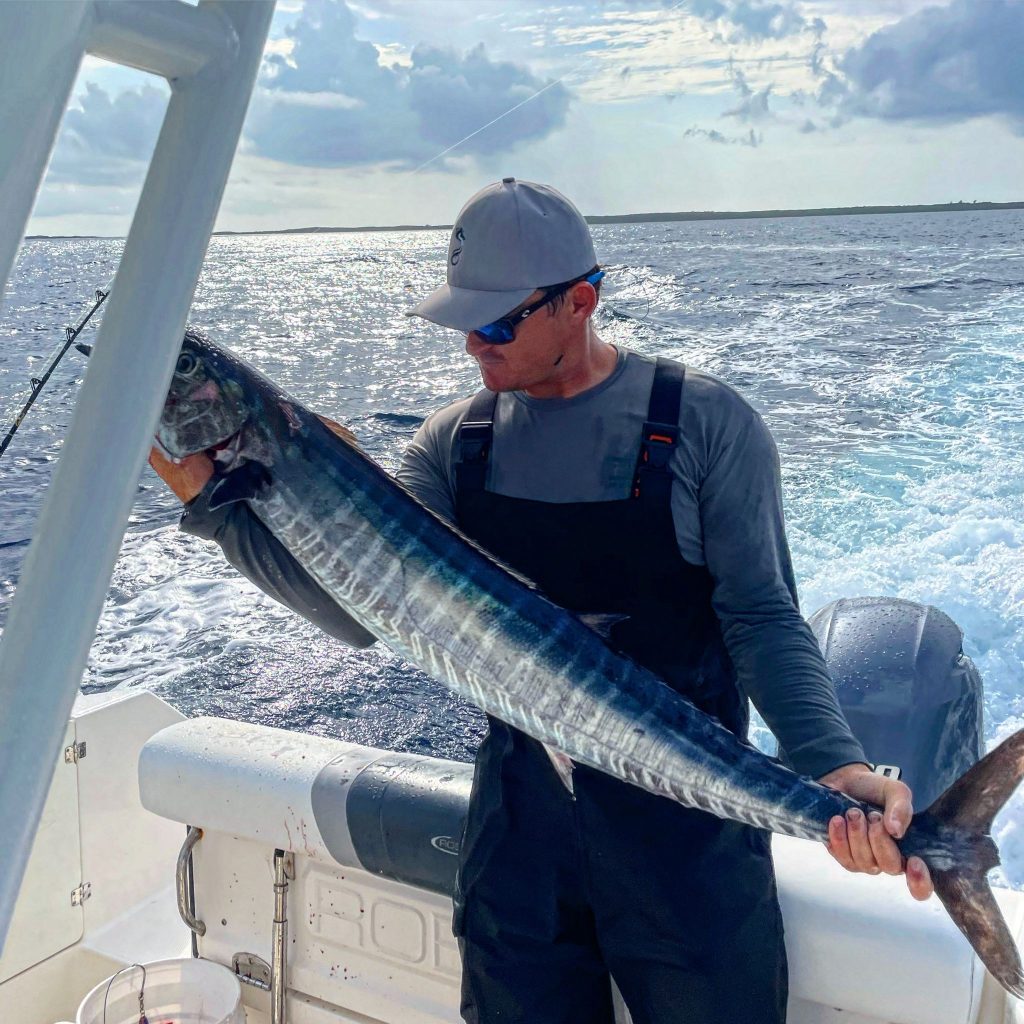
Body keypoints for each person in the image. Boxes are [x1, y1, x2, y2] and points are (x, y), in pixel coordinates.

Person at [150, 178, 934, 1024]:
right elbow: (357, 607)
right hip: (518, 837)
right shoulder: (453, 444)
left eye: (495, 323)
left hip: (690, 843)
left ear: (580, 302)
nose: (471, 347)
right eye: (462, 321)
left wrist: (832, 761)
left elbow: (762, 614)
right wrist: (220, 511)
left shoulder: (705, 424)